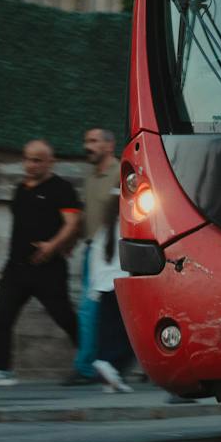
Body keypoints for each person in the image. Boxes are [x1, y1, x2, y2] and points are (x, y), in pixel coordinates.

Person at [0, 139, 83, 388]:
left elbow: (73, 223)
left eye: (37, 160)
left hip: (48, 269)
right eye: (27, 159)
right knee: (1, 317)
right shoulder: (20, 190)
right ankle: (1, 371)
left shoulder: (61, 189)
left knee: (65, 317)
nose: (30, 165)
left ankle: (93, 361)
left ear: (50, 162)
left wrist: (52, 246)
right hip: (16, 268)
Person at [64, 127, 120, 386]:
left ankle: (90, 367)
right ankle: (91, 366)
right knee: (91, 311)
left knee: (109, 312)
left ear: (110, 146)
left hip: (116, 253)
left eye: (94, 141)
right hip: (92, 252)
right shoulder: (90, 178)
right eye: (86, 141)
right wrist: (73, 241)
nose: (88, 146)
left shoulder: (121, 173)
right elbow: (87, 215)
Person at [86, 164, 136, 393]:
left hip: (106, 288)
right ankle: (110, 365)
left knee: (109, 331)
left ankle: (111, 376)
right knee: (128, 335)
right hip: (123, 287)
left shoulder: (104, 230)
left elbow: (95, 259)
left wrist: (94, 290)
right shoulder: (128, 228)